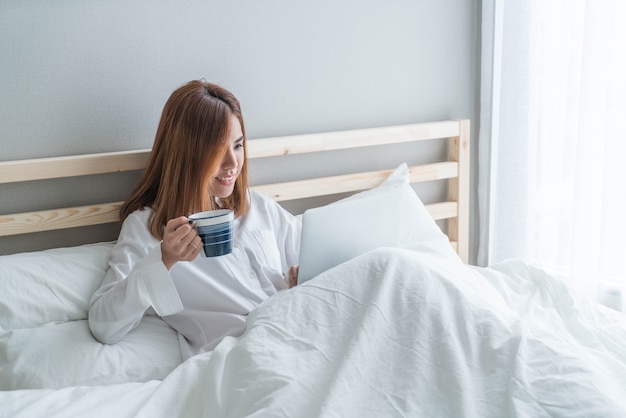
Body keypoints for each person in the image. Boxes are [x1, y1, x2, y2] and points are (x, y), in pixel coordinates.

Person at [89, 80, 301, 359]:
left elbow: (315, 260)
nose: (232, 163)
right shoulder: (148, 228)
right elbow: (103, 325)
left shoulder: (257, 207)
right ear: (187, 154)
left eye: (237, 146)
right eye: (216, 151)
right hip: (247, 352)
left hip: (299, 330)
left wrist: (302, 282)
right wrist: (163, 260)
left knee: (378, 265)